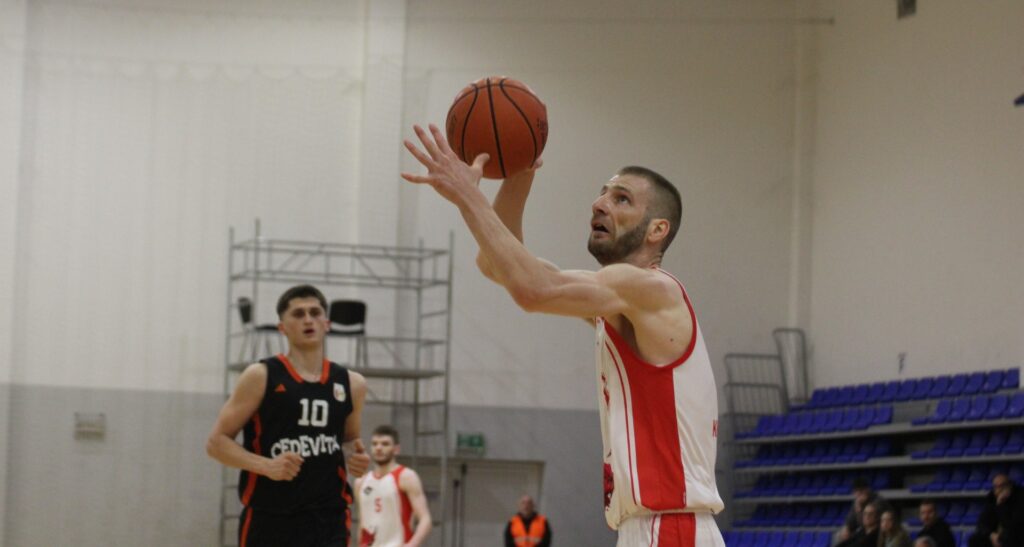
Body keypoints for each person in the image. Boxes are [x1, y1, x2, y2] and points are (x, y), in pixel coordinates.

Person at [402, 124, 725, 546]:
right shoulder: (619, 300)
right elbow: (497, 265)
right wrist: (519, 171)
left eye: (621, 198)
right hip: (651, 527)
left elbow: (533, 291)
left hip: (671, 528)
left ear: (657, 230)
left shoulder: (652, 290)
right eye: (602, 193)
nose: (599, 203)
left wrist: (468, 196)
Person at [207, 284, 371, 547]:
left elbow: (349, 439)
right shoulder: (261, 376)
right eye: (298, 314)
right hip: (270, 518)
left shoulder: (352, 383)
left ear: (327, 323)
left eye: (315, 312)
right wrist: (266, 466)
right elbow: (216, 444)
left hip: (329, 519)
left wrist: (356, 456)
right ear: (282, 327)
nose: (308, 319)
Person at [355, 425, 432, 547]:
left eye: (385, 444)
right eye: (375, 444)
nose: (379, 448)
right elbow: (362, 522)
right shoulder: (361, 482)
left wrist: (412, 544)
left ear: (396, 449)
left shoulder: (406, 476)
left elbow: (425, 519)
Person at [969, 473, 1024, 547]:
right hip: (996, 535)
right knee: (975, 539)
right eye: (996, 487)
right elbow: (982, 522)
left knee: (1010, 538)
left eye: (1002, 486)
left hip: (1015, 535)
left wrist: (1000, 505)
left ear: (1010, 486)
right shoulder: (992, 498)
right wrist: (991, 535)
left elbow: (1011, 525)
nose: (999, 490)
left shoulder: (1020, 498)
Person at [838, 477, 888, 544]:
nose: (858, 494)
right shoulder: (857, 502)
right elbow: (851, 520)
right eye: (856, 491)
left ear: (867, 490)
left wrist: (860, 508)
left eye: (861, 491)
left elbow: (869, 522)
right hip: (864, 530)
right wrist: (847, 527)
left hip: (878, 531)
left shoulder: (878, 500)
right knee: (840, 536)